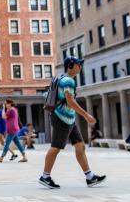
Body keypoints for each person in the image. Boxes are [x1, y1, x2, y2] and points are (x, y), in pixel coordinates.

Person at [39, 56, 106, 189]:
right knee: (56, 147)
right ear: (70, 66)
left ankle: (90, 177)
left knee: (80, 146)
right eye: (78, 64)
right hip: (61, 118)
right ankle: (45, 176)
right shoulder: (68, 81)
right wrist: (86, 115)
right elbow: (70, 101)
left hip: (69, 118)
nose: (80, 66)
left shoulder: (62, 77)